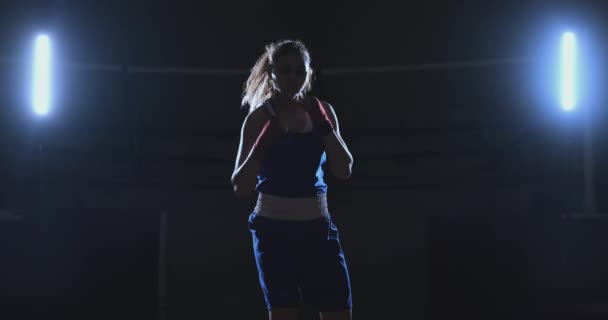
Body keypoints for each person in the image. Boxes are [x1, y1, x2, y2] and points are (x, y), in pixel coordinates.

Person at [231, 39, 354, 320]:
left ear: (309, 74)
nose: (292, 77)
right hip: (273, 232)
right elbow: (240, 187)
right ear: (272, 74)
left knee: (339, 312)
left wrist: (325, 127)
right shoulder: (257, 119)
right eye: (285, 70)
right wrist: (263, 142)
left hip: (317, 229)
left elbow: (344, 170)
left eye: (300, 71)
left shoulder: (323, 111)